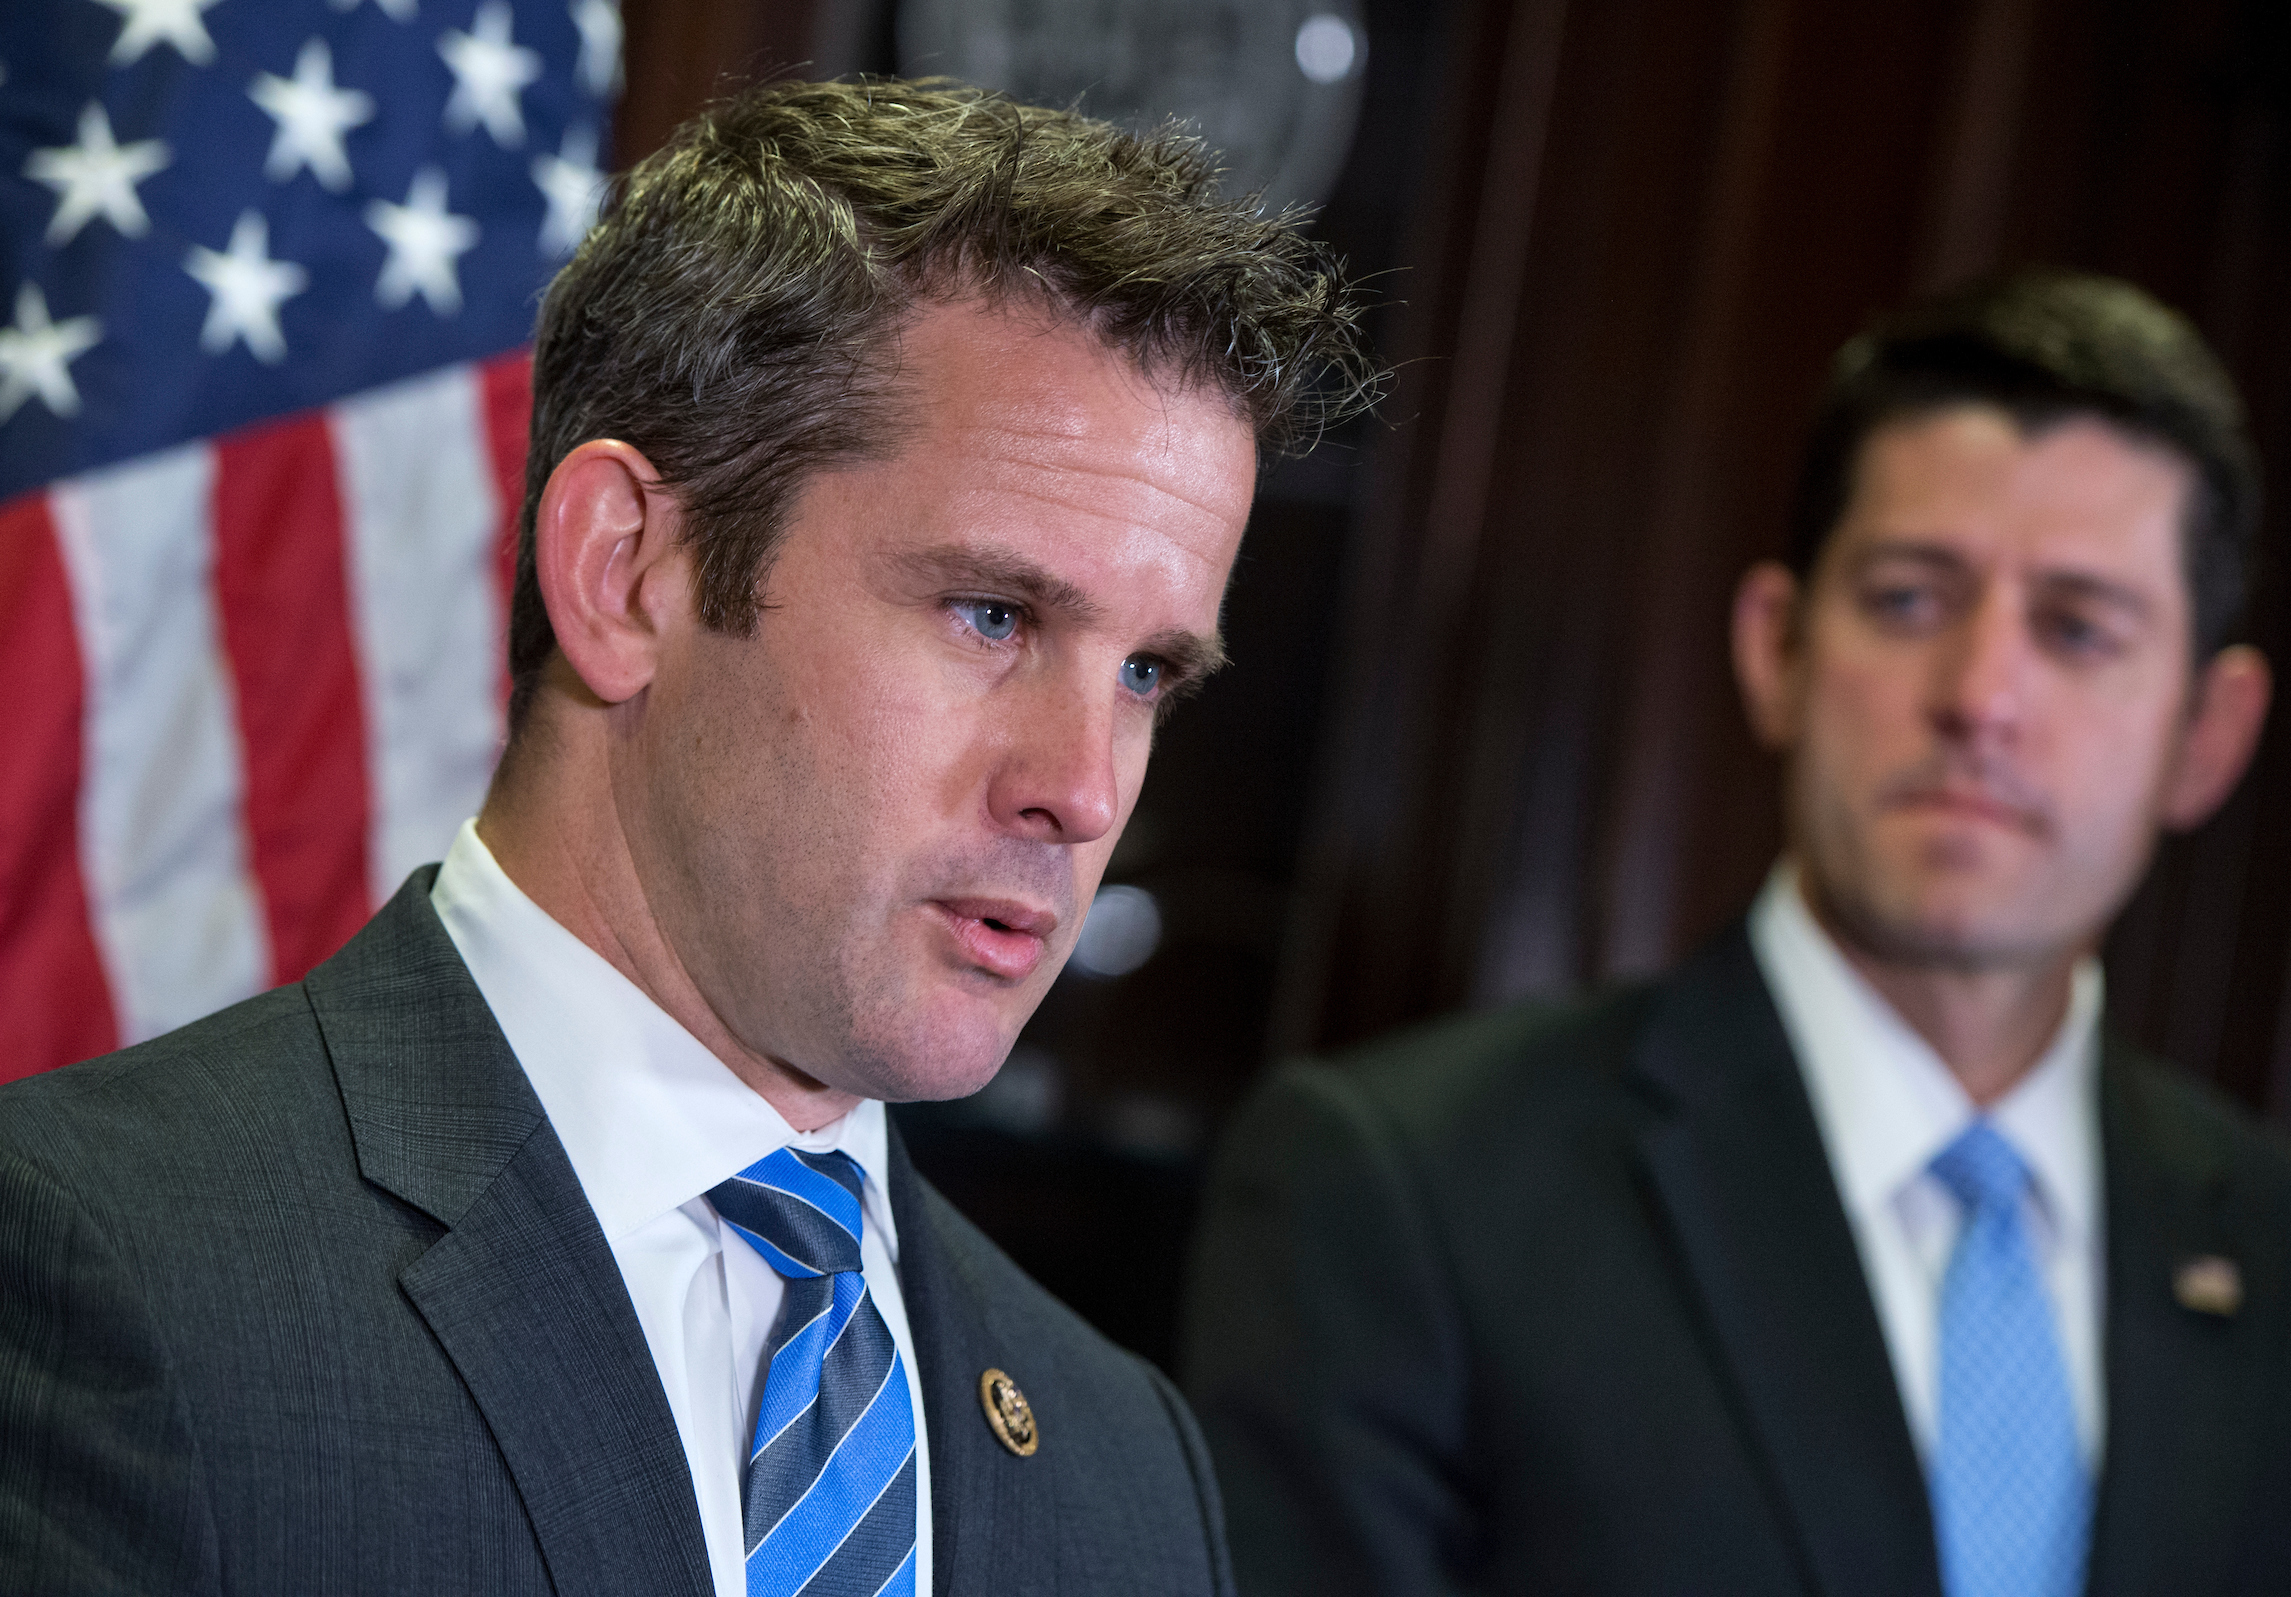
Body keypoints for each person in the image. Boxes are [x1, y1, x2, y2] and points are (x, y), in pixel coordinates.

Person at [0, 79, 1373, 1597]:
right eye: (994, 614)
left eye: (1145, 674)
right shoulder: (103, 1270)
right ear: (628, 573)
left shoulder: (1128, 1469)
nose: (1088, 788)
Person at [1181, 269, 2291, 1597]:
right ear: (1778, 650)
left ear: (2207, 736)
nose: (1983, 695)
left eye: (2079, 627)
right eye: (1911, 599)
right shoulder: (1404, 1190)